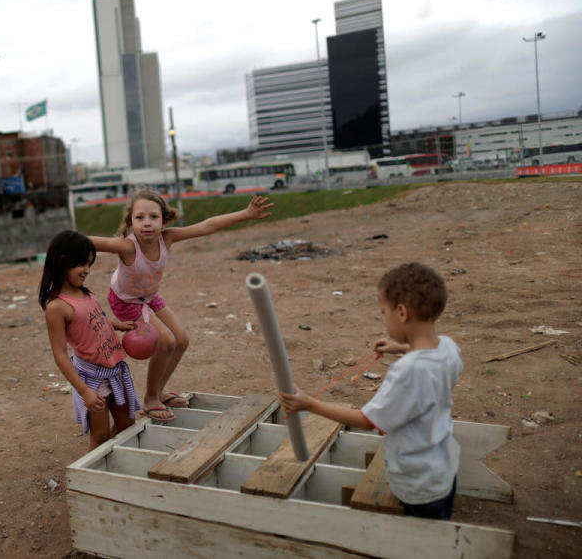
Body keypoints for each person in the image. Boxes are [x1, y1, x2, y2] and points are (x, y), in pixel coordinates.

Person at [277, 263, 462, 520]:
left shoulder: (407, 371)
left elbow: (366, 421)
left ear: (401, 312)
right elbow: (429, 361)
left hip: (416, 483)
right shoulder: (449, 349)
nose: (383, 318)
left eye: (383, 312)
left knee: (421, 542)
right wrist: (401, 347)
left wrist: (309, 404)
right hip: (443, 471)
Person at [91, 190, 274, 422]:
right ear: (130, 221)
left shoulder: (166, 238)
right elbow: (94, 242)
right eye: (140, 218)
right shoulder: (127, 247)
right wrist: (63, 242)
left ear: (164, 219)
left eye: (153, 217)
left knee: (182, 340)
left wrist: (245, 214)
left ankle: (159, 392)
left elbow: (207, 226)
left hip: (149, 296)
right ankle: (149, 399)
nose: (147, 223)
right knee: (166, 341)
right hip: (126, 301)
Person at [39, 230, 143, 450]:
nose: (87, 270)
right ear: (62, 261)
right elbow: (59, 354)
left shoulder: (86, 294)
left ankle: (111, 458)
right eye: (81, 264)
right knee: (101, 434)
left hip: (115, 368)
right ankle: (94, 473)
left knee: (127, 423)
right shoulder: (57, 307)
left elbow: (95, 320)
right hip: (91, 377)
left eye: (89, 264)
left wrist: (116, 325)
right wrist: (84, 391)